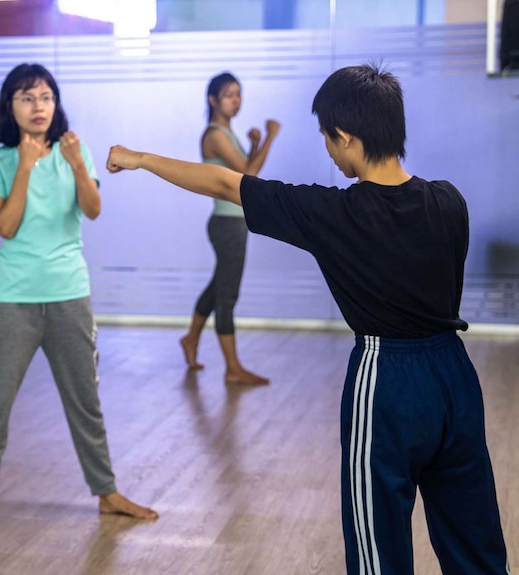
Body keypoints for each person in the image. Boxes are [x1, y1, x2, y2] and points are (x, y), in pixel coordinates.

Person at [106, 64, 510, 574]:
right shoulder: (450, 201)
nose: (326, 147)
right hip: (455, 374)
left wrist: (140, 158)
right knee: (476, 543)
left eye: (326, 137)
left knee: (377, 551)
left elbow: (228, 184)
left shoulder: (331, 213)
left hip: (387, 380)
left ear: (345, 138)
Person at [0, 63, 158, 541]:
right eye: (27, 97)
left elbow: (92, 209)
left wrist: (75, 165)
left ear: (55, 103)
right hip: (13, 299)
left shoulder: (76, 150)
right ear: (11, 106)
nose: (38, 106)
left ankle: (107, 494)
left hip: (70, 294)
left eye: (45, 96)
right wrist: (25, 166)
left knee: (85, 401)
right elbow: (5, 226)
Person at [179, 72, 279, 385]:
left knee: (218, 287)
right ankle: (233, 368)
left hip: (232, 221)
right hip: (227, 223)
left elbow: (241, 173)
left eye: (238, 94)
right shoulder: (215, 135)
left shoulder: (226, 133)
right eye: (228, 94)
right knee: (227, 295)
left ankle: (191, 338)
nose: (235, 100)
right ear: (212, 100)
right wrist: (271, 137)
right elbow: (249, 176)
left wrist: (255, 143)